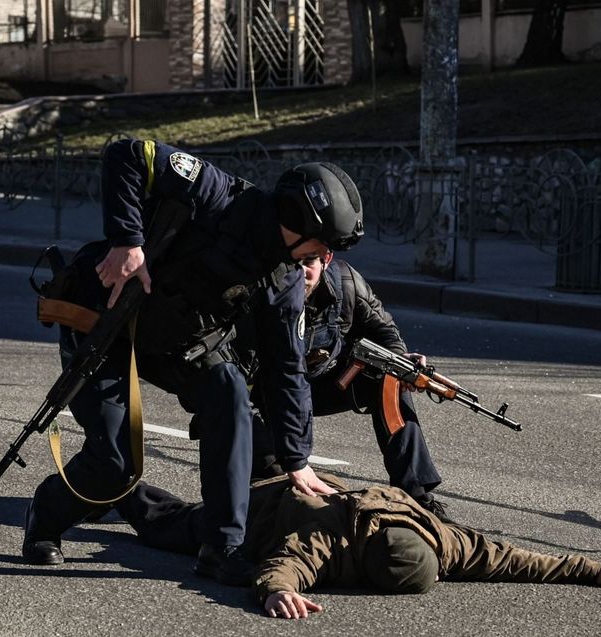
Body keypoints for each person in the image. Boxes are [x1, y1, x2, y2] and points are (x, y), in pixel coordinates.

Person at [21, 139, 366, 587]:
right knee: (115, 466)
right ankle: (45, 517)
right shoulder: (218, 194)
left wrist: (297, 458)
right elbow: (127, 154)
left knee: (230, 393)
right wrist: (127, 240)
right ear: (296, 220)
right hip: (104, 316)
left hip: (175, 340)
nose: (321, 259)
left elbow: (288, 370)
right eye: (320, 246)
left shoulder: (286, 280)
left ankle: (222, 548)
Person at [114, 474, 601, 620]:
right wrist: (275, 594)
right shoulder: (324, 540)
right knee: (172, 523)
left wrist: (588, 569)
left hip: (309, 482)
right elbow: (284, 568)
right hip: (263, 509)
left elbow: (509, 556)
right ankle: (110, 488)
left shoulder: (438, 539)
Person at [251, 254, 447, 517]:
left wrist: (402, 363)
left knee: (390, 377)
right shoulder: (262, 289)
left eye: (309, 263)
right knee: (273, 489)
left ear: (326, 260)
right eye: (293, 264)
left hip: (322, 384)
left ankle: (415, 495)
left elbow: (384, 330)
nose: (300, 273)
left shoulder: (346, 282)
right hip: (269, 394)